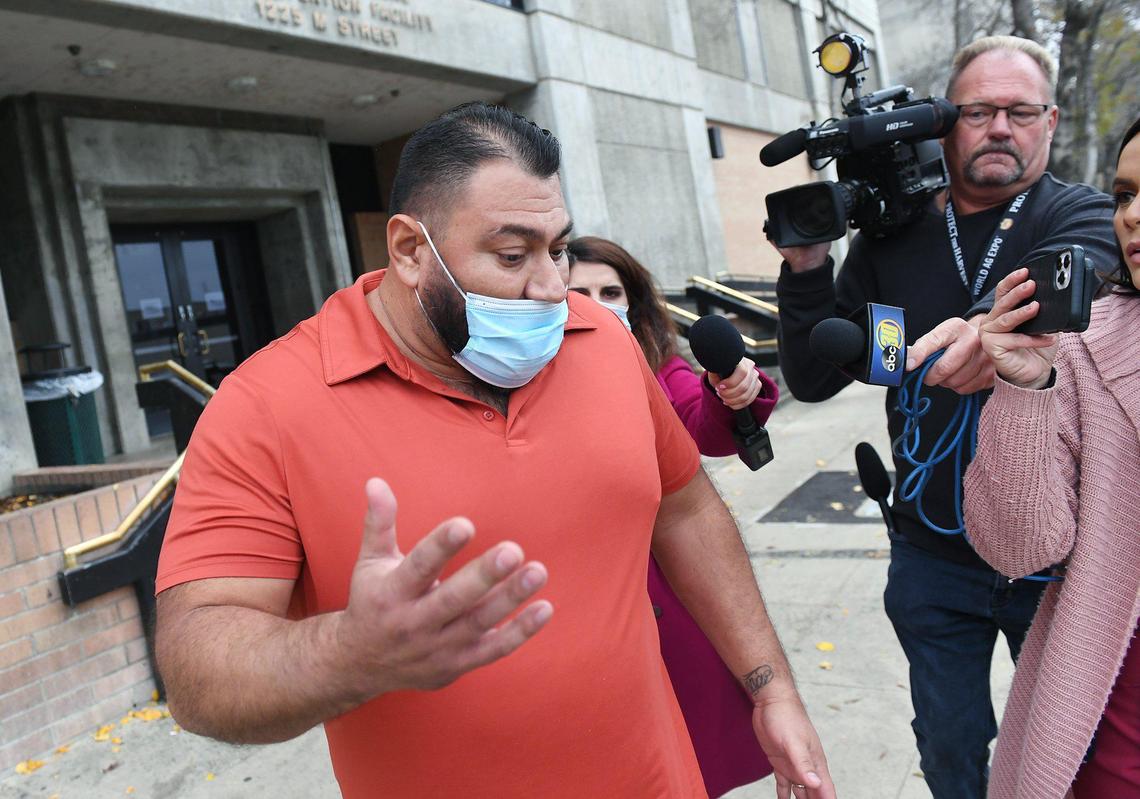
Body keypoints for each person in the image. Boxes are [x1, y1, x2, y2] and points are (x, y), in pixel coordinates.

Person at [154, 102, 836, 799]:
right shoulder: (266, 403)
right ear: (410, 251)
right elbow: (196, 670)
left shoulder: (601, 339)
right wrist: (348, 654)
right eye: (512, 255)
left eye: (558, 248)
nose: (550, 286)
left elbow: (685, 509)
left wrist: (770, 686)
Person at [770, 35, 1117, 799]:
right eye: (980, 110)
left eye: (1021, 111)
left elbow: (1079, 274)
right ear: (943, 124)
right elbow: (811, 376)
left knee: (1074, 755)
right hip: (930, 555)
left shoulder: (1078, 213)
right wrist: (806, 269)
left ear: (1050, 121)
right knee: (950, 752)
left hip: (1052, 560)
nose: (1000, 127)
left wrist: (989, 328)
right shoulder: (891, 237)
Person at [964, 116, 1140, 799]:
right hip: (1116, 732)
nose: (1132, 216)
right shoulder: (1081, 340)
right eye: (1123, 194)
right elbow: (1018, 549)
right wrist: (1025, 385)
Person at [567, 236, 778, 798]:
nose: (596, 302)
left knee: (687, 760)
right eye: (579, 291)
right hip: (576, 609)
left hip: (667, 602)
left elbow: (698, 421)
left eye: (610, 291)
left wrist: (732, 393)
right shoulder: (520, 374)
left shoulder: (658, 367)